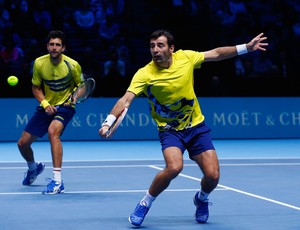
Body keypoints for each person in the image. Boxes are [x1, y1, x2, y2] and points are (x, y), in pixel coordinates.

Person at [98, 29, 268, 226]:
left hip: (196, 127)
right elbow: (125, 99)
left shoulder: (186, 58)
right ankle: (145, 203)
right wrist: (107, 122)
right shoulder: (144, 74)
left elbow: (216, 54)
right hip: (170, 130)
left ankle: (201, 199)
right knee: (174, 167)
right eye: (152, 46)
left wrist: (246, 48)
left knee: (213, 176)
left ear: (171, 48)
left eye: (160, 45)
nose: (155, 50)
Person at [17, 30, 84, 195]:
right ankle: (34, 167)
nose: (54, 48)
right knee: (22, 144)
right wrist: (45, 103)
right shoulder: (39, 63)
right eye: (51, 44)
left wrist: (74, 98)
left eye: (58, 45)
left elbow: (82, 86)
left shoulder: (73, 65)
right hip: (46, 106)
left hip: (66, 106)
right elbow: (36, 87)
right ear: (47, 46)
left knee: (52, 132)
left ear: (63, 48)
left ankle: (57, 181)